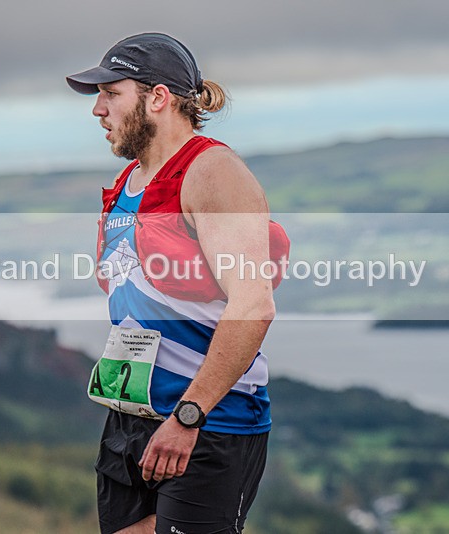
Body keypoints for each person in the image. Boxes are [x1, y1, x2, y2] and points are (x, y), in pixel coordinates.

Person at [67, 32, 289, 534]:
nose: (98, 110)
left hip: (207, 423)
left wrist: (188, 417)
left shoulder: (213, 173)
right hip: (132, 414)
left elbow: (254, 305)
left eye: (111, 93)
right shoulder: (127, 184)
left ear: (159, 98)